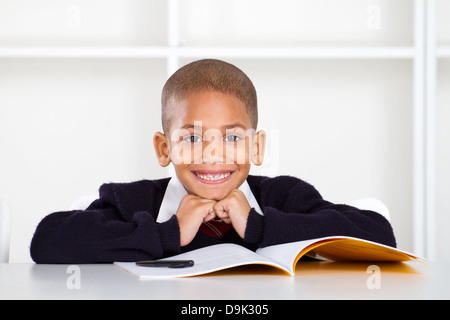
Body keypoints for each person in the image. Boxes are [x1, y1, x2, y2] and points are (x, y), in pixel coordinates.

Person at [30, 59, 396, 264]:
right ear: (163, 148)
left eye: (233, 137)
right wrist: (167, 233)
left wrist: (259, 227)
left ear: (257, 147)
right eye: (191, 138)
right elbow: (48, 240)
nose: (212, 154)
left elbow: (379, 234)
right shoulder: (133, 203)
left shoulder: (283, 197)